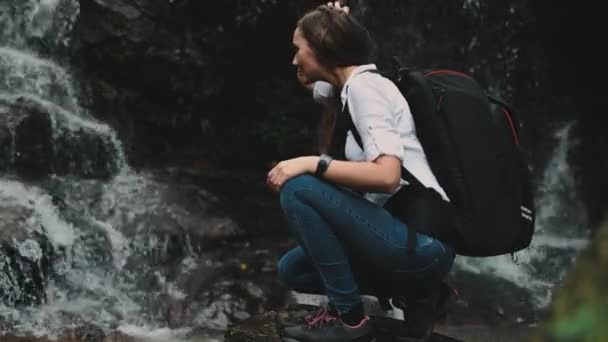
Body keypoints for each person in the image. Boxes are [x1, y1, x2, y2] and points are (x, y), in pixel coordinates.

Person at [266, 3, 455, 341]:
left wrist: (312, 163)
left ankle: (351, 321)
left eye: (298, 50)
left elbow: (387, 176)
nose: (294, 60)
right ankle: (422, 293)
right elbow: (316, 85)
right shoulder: (346, 89)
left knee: (298, 188)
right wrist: (331, 21)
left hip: (422, 241)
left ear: (323, 50)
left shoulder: (366, 91)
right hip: (403, 239)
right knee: (293, 269)